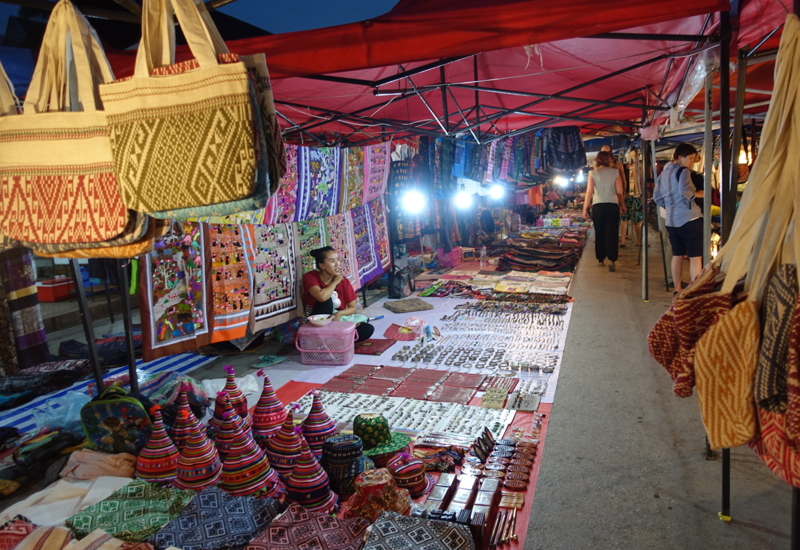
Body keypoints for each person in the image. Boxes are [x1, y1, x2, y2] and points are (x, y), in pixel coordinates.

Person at [653, 143, 703, 293]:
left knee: (677, 255)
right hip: (690, 219)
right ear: (680, 157)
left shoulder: (663, 174)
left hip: (671, 221)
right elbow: (686, 192)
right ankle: (695, 291)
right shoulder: (683, 171)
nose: (692, 162)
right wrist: (701, 194)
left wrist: (670, 206)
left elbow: (657, 197)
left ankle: (677, 289)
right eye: (690, 158)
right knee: (695, 257)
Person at [303, 246, 375, 342]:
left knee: (367, 329)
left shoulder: (343, 281)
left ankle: (333, 339)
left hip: (337, 319)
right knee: (327, 301)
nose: (337, 264)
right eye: (332, 261)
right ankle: (330, 339)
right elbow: (321, 297)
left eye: (338, 260)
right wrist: (335, 282)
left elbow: (353, 308)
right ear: (322, 266)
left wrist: (339, 313)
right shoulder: (311, 276)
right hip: (317, 319)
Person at [583, 151, 626, 272]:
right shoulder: (615, 172)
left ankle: (601, 258)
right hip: (612, 205)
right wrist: (622, 205)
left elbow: (589, 192)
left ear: (597, 160)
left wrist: (585, 208)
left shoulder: (592, 173)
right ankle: (612, 258)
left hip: (598, 206)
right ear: (609, 160)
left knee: (600, 232)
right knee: (611, 233)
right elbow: (619, 191)